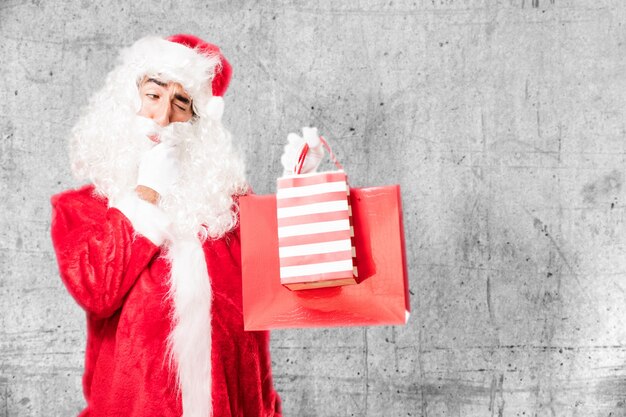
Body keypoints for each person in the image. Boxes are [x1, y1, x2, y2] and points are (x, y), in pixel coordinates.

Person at [50, 34, 283, 417]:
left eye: (181, 103)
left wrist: (302, 190)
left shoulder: (228, 210)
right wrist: (146, 192)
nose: (162, 117)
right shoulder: (83, 210)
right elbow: (98, 289)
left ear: (197, 122)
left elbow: (273, 302)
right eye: (154, 96)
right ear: (129, 100)